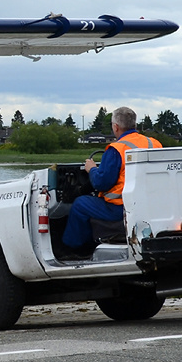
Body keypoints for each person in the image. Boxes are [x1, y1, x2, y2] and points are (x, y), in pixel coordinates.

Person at [61, 106, 162, 256]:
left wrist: (92, 169)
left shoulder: (116, 149)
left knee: (80, 204)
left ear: (115, 127)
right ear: (134, 124)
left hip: (120, 209)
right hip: (148, 205)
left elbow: (101, 183)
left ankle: (74, 250)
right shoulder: (154, 144)